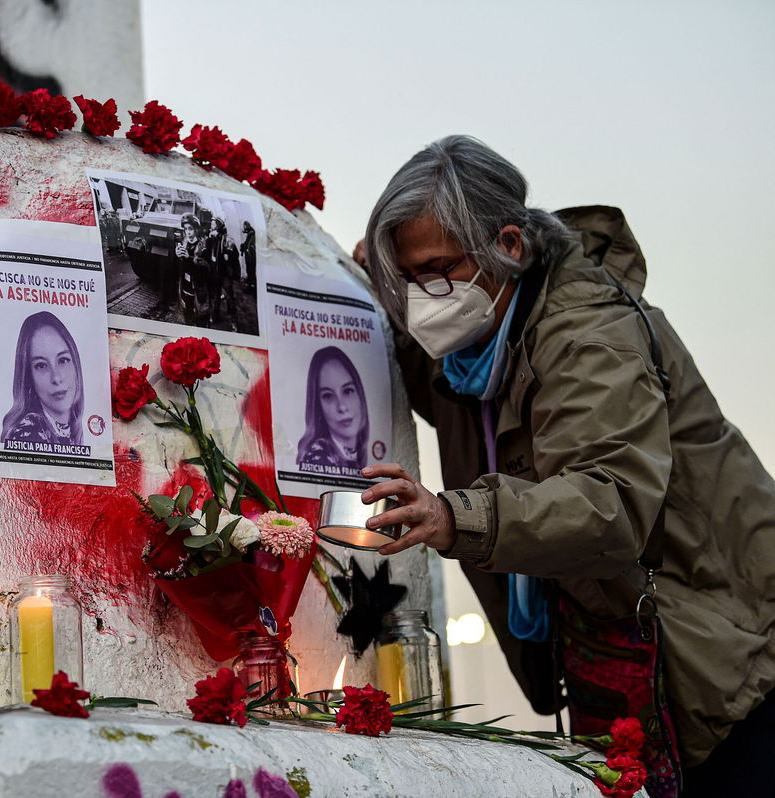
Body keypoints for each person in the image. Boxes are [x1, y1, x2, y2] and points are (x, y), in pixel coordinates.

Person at [354, 135, 775, 796]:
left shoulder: (587, 334)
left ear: (510, 246)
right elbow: (420, 371)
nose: (421, 299)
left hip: (728, 662)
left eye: (436, 271)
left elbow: (611, 503)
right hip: (627, 646)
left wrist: (452, 516)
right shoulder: (475, 347)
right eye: (406, 279)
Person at [1, 310, 85, 446]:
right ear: (28, 378)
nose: (56, 377)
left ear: (76, 364)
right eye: (41, 365)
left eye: (63, 360)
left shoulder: (70, 427)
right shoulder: (28, 432)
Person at [296, 346, 369, 475]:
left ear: (360, 393)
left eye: (348, 391)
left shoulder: (355, 454)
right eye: (328, 396)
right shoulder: (318, 457)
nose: (342, 407)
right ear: (318, 407)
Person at [175, 213, 211, 326]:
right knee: (187, 318)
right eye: (186, 229)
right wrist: (176, 257)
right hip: (186, 290)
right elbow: (178, 270)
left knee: (201, 320)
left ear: (196, 229)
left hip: (198, 292)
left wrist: (188, 259)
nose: (188, 232)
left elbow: (206, 273)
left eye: (191, 229)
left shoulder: (203, 248)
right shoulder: (184, 245)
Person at [206, 216, 240, 328]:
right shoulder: (211, 238)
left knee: (229, 295)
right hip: (215, 273)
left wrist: (227, 254)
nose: (211, 226)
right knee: (216, 295)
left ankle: (233, 319)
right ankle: (215, 316)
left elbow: (233, 254)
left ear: (218, 226)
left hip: (225, 273)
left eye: (213, 224)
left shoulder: (227, 239)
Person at [241, 220, 257, 288]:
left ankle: (251, 284)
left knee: (251, 270)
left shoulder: (251, 233)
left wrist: (245, 248)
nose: (244, 228)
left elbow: (249, 244)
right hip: (250, 256)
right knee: (250, 269)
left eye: (244, 226)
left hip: (250, 256)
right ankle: (250, 282)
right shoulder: (250, 233)